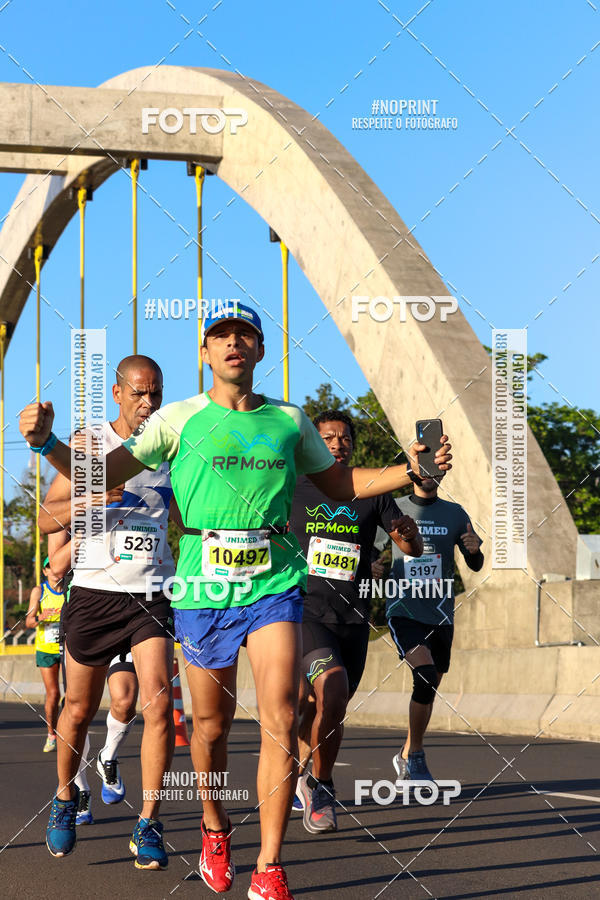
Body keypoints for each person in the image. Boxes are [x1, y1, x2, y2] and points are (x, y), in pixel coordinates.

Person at [20, 301, 452, 900]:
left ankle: (270, 866)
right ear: (205, 352)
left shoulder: (289, 421)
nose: (233, 344)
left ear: (259, 350)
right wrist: (47, 445)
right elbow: (99, 473)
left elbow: (339, 484)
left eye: (245, 335)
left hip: (273, 582)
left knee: (278, 716)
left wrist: (408, 471)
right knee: (210, 726)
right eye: (220, 335)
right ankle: (214, 827)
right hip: (201, 587)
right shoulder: (178, 419)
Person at [34, 355, 176, 868]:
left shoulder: (169, 444)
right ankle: (66, 799)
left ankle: (148, 823)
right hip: (93, 593)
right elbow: (50, 519)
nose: (149, 403)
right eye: (139, 393)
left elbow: (187, 511)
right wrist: (91, 500)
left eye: (156, 393)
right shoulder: (90, 445)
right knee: (77, 709)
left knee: (158, 705)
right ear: (117, 393)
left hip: (151, 595)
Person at [289, 409, 423, 834]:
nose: (337, 444)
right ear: (313, 442)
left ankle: (308, 773)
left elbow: (412, 546)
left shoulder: (372, 492)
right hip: (304, 610)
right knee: (327, 692)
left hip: (353, 616)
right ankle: (321, 785)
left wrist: (406, 535)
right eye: (327, 437)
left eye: (344, 438)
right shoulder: (291, 485)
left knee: (331, 707)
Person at [377, 464, 483, 782]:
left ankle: (407, 754)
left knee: (430, 684)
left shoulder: (455, 512)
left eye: (434, 469)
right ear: (413, 473)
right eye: (422, 469)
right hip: (403, 609)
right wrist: (371, 565)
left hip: (441, 613)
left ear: (442, 474)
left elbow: (474, 562)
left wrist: (475, 550)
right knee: (423, 675)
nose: (427, 474)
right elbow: (370, 546)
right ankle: (418, 757)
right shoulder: (395, 508)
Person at [47, 528, 139, 827]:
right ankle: (80, 788)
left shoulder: (138, 491)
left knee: (125, 700)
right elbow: (56, 567)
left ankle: (107, 757)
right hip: (86, 611)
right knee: (79, 711)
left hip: (131, 607)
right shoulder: (73, 500)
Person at [25, 557, 65, 753]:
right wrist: (41, 617)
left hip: (67, 648)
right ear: (45, 570)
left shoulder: (71, 588)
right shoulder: (39, 591)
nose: (56, 570)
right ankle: (52, 734)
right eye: (51, 566)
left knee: (74, 694)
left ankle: (69, 728)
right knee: (54, 693)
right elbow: (29, 622)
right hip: (46, 649)